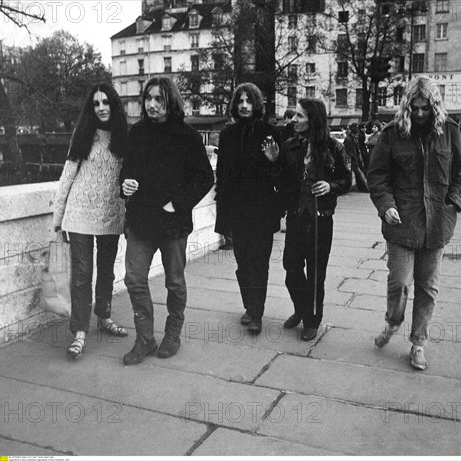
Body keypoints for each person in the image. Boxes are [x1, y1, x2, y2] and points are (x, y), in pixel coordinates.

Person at [367, 76, 461, 370]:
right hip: (401, 222)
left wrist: (453, 204)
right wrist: (386, 206)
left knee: (428, 287)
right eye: (415, 108)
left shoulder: (449, 131)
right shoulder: (392, 133)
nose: (420, 113)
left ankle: (418, 344)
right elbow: (377, 176)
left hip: (437, 223)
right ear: (407, 106)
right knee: (399, 282)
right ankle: (392, 322)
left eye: (425, 108)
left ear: (434, 106)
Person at [120, 77, 214, 365]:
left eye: (159, 99)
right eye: (148, 98)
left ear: (170, 102)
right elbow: (125, 173)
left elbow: (205, 178)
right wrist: (124, 185)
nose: (152, 105)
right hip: (140, 220)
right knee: (134, 279)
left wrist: (178, 203)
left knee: (174, 282)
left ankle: (172, 333)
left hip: (173, 223)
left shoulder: (187, 135)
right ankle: (145, 338)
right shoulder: (136, 133)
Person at [53, 83, 129, 359]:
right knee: (83, 275)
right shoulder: (83, 134)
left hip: (111, 214)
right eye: (96, 103)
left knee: (107, 270)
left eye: (106, 102)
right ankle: (80, 331)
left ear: (114, 105)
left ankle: (104, 317)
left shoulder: (125, 136)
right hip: (79, 215)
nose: (101, 108)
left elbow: (131, 179)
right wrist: (58, 219)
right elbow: (67, 178)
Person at [278, 98, 351, 341]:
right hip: (297, 217)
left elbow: (346, 180)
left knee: (317, 272)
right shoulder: (289, 146)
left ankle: (312, 320)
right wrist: (272, 161)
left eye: (299, 116)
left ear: (313, 120)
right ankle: (301, 308)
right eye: (294, 115)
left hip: (321, 219)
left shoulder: (333, 147)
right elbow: (282, 179)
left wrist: (330, 186)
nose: (293, 120)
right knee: (291, 267)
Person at [214, 82, 281, 335]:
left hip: (262, 210)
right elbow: (221, 176)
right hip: (237, 211)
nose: (244, 105)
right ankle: (249, 305)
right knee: (243, 263)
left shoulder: (269, 132)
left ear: (256, 104)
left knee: (259, 263)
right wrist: (222, 216)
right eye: (240, 101)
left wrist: (274, 162)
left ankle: (257, 313)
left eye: (248, 101)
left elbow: (280, 175)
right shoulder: (227, 135)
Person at [343, 123, 369, 192]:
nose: (357, 136)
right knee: (358, 173)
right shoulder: (349, 139)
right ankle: (365, 188)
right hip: (352, 159)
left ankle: (362, 187)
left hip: (354, 159)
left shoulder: (352, 139)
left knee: (356, 173)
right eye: (357, 134)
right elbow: (349, 151)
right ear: (353, 134)